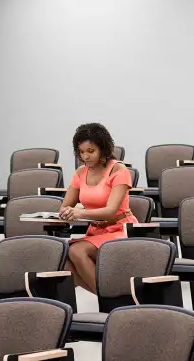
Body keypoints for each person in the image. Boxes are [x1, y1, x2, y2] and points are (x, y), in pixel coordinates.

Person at [59, 123, 136, 293]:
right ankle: (108, 297)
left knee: (77, 252)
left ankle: (108, 299)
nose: (85, 156)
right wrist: (66, 212)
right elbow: (65, 206)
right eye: (81, 152)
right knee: (61, 258)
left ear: (103, 149)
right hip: (95, 232)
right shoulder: (80, 173)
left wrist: (80, 212)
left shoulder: (119, 170)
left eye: (91, 151)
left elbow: (111, 211)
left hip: (120, 229)